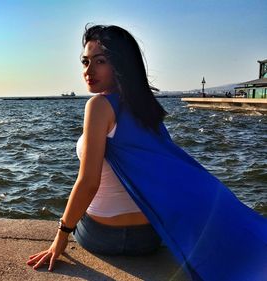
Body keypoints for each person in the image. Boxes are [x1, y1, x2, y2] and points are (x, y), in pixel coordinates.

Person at [26, 24, 266, 281]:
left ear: (120, 63)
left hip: (103, 236)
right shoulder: (147, 108)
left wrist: (60, 237)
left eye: (100, 61)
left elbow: (88, 182)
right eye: (85, 61)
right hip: (149, 237)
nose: (88, 70)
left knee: (77, 214)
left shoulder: (98, 105)